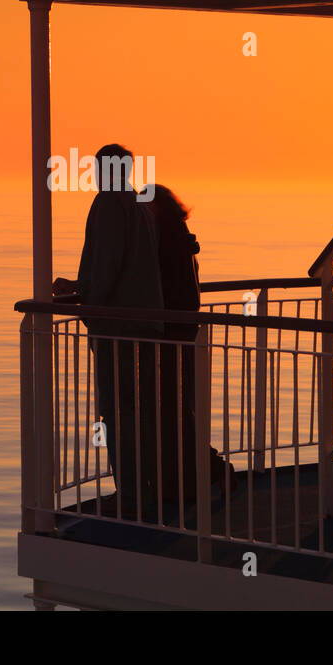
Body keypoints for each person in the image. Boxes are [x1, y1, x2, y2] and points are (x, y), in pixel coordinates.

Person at [53, 144, 163, 521]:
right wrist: (83, 286)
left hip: (118, 326)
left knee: (118, 412)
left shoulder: (108, 205)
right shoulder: (139, 204)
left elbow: (107, 265)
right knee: (143, 409)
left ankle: (130, 497)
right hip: (147, 324)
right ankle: (148, 490)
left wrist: (88, 301)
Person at [143, 184, 234, 509]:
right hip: (183, 332)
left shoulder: (165, 243)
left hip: (171, 333)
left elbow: (159, 286)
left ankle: (209, 471)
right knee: (178, 409)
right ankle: (198, 474)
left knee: (172, 410)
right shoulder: (180, 239)